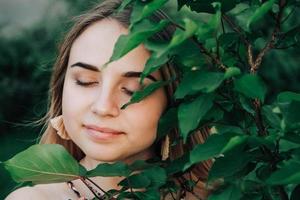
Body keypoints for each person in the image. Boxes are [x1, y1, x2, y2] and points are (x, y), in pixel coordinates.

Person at [6, 0, 212, 199]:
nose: (103, 107)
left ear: (173, 100)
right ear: (61, 89)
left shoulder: (218, 193)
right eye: (85, 81)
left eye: (133, 90)